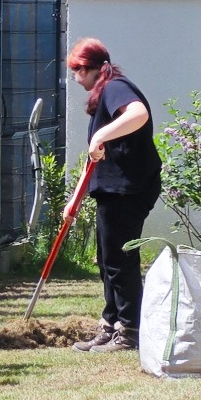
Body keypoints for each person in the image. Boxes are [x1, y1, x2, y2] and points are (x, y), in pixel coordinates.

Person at [66, 38, 161, 352]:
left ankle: (130, 330)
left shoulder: (115, 87)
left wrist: (101, 134)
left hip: (128, 190)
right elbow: (95, 157)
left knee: (120, 259)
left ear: (88, 68)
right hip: (112, 190)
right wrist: (75, 199)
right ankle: (110, 325)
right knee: (108, 259)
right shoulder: (104, 95)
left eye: (76, 71)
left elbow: (139, 114)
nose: (75, 78)